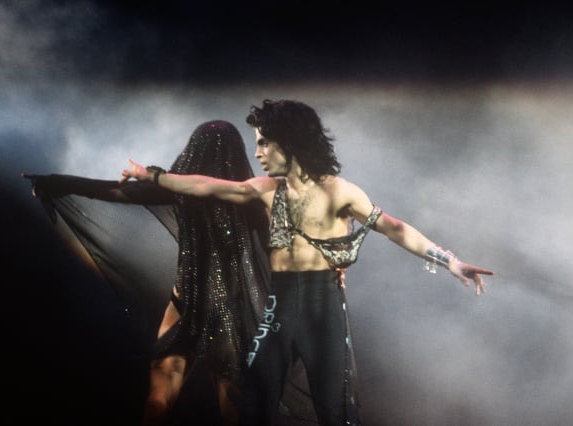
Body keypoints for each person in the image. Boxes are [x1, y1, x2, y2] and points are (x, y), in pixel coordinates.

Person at [120, 99, 495, 426]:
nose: (258, 153)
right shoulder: (265, 190)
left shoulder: (339, 192)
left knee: (334, 413)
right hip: (279, 308)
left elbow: (394, 228)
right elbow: (206, 186)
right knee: (253, 406)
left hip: (323, 310)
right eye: (257, 144)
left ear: (290, 142)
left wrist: (450, 261)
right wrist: (153, 175)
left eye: (265, 143)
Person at [23, 120, 272, 425]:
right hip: (227, 306)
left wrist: (56, 183)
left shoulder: (186, 191)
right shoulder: (249, 196)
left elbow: (113, 191)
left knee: (163, 399)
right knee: (229, 403)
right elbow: (277, 248)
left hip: (190, 302)